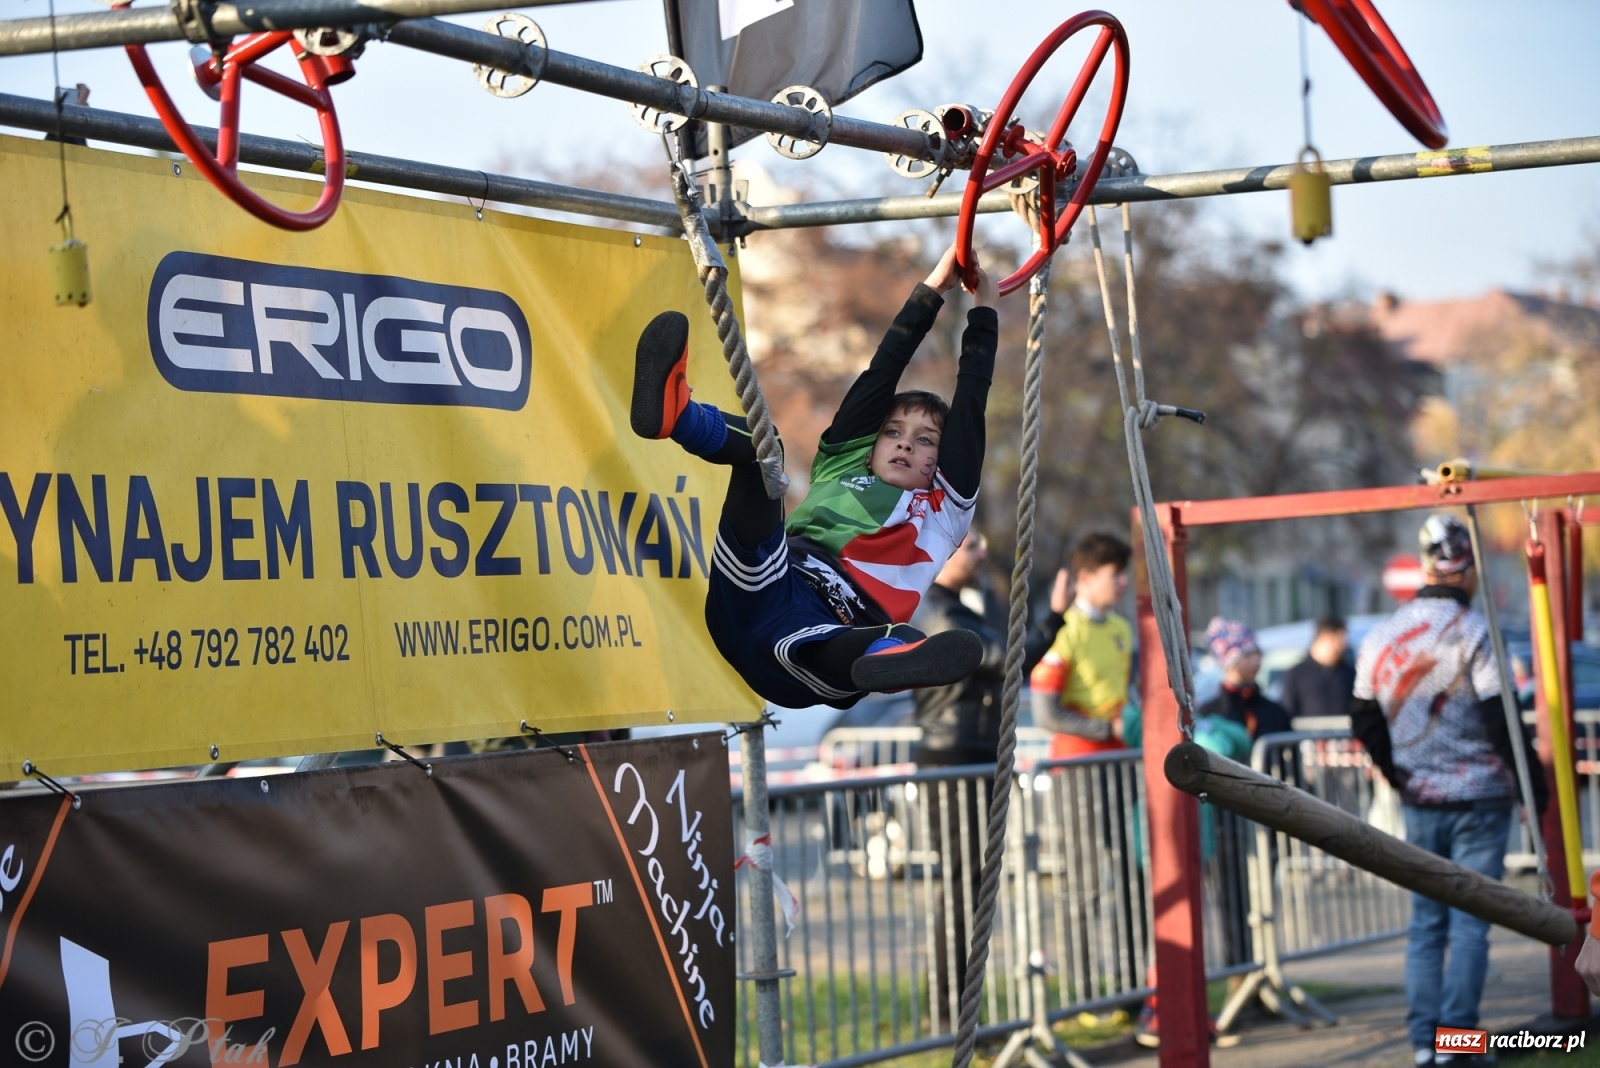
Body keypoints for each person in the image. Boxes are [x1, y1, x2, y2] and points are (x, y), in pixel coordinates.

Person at [630, 245, 997, 708]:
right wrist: (932, 290)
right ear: (871, 444)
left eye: (925, 440)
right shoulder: (842, 463)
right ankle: (679, 416)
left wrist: (984, 310)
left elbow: (971, 401)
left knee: (882, 640)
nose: (905, 443)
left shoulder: (942, 514)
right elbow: (882, 371)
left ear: (942, 462)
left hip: (825, 639)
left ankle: (889, 658)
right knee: (767, 451)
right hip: (767, 583)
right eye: (893, 432)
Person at [1350, 513, 1547, 1068]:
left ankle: (1423, 1042)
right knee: (1469, 924)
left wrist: (1399, 775)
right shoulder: (1473, 630)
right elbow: (1501, 718)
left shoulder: (1383, 634)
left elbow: (1362, 715)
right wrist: (1534, 790)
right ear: (1468, 568)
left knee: (1426, 924)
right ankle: (1457, 1043)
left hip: (1421, 800)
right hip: (1480, 798)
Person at [907, 530, 1064, 1026]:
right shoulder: (939, 610)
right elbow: (1007, 660)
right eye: (971, 545)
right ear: (945, 551)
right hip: (952, 758)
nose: (982, 553)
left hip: (971, 756)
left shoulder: (959, 607)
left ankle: (960, 1006)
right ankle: (948, 1009)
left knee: (971, 885)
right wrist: (1054, 619)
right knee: (960, 886)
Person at [1028, 532, 1134, 758]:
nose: (1124, 580)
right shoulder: (1061, 631)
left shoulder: (1122, 628)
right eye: (1115, 573)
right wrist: (1107, 730)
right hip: (1077, 762)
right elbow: (1046, 715)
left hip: (1120, 756)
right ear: (1085, 578)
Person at [1197, 617, 1292, 741]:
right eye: (1248, 655)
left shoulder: (1275, 712)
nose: (1256, 661)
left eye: (1258, 653)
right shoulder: (1210, 713)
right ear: (1229, 662)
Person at [1279, 615, 1357, 722]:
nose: (1344, 645)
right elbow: (1287, 713)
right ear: (1326, 637)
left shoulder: (1349, 674)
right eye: (1340, 640)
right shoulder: (1296, 675)